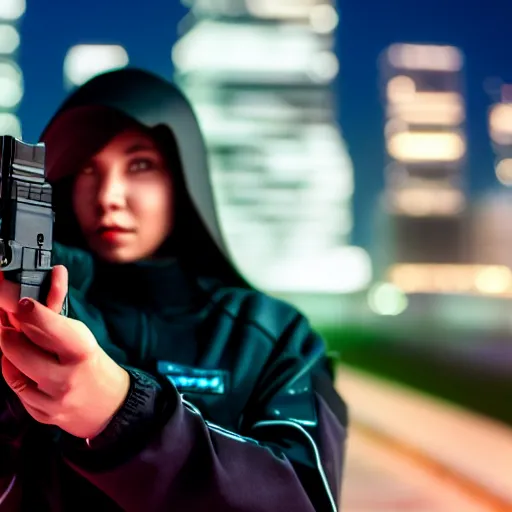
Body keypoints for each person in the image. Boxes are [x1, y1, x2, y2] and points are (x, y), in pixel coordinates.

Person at [0, 68, 348, 511]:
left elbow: (304, 499)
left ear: (183, 178)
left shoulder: (272, 337)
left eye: (140, 164)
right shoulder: (27, 313)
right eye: (89, 167)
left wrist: (122, 413)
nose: (109, 195)